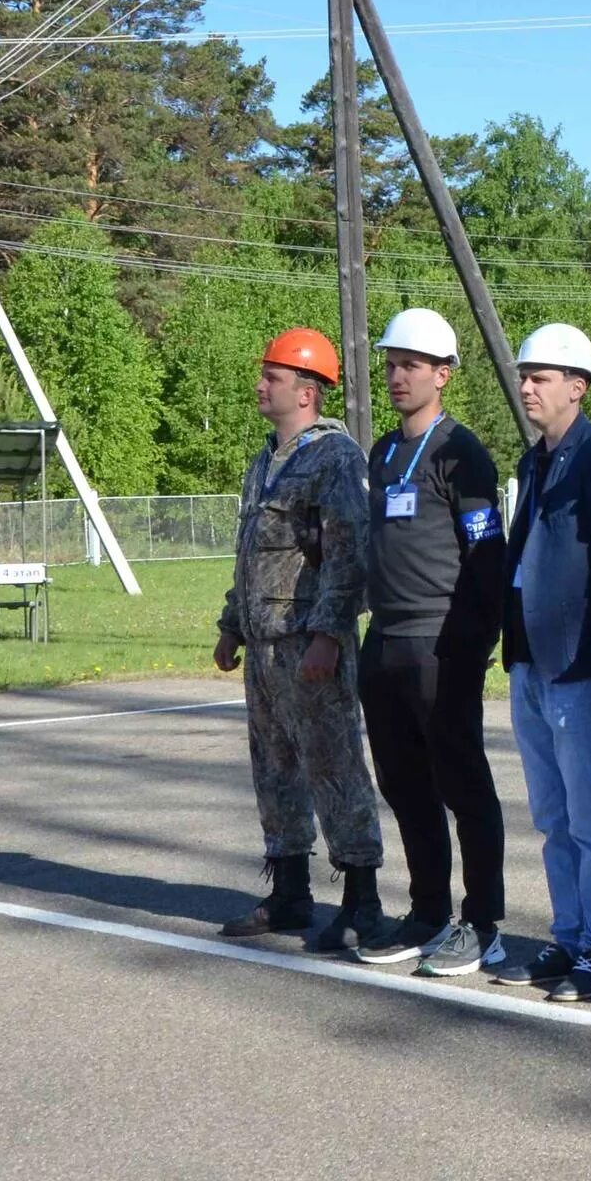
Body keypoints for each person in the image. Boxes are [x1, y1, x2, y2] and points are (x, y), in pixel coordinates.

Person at [485, 321, 591, 1005]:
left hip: (578, 664)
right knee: (552, 814)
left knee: (590, 814)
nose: (526, 385)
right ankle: (571, 934)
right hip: (531, 660)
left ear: (577, 388)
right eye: (524, 375)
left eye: (541, 376)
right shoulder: (536, 461)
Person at [213, 328, 389, 950]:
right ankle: (289, 891)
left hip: (309, 643)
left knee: (334, 766)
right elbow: (253, 553)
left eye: (274, 377)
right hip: (264, 646)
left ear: (307, 391)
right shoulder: (267, 458)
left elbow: (348, 554)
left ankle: (362, 898)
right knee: (275, 769)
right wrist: (233, 622)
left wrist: (330, 635)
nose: (261, 385)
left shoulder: (335, 457)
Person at [349, 308, 512, 979]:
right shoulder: (384, 452)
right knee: (405, 785)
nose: (396, 375)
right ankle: (427, 912)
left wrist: (473, 641)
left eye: (411, 365)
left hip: (441, 644)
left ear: (442, 374)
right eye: (390, 363)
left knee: (462, 782)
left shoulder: (461, 451)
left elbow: (487, 555)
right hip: (384, 640)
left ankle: (484, 922)